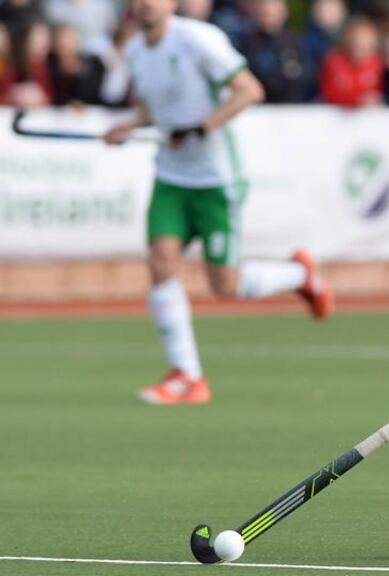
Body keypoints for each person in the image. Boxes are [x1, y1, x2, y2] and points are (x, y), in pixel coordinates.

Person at [104, 0, 334, 405]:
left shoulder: (199, 40)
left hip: (215, 179)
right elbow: (153, 109)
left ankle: (299, 275)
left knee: (224, 285)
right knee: (161, 261)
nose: (145, 4)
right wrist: (130, 125)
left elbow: (249, 90)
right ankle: (187, 376)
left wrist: (201, 128)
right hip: (171, 178)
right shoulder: (136, 51)